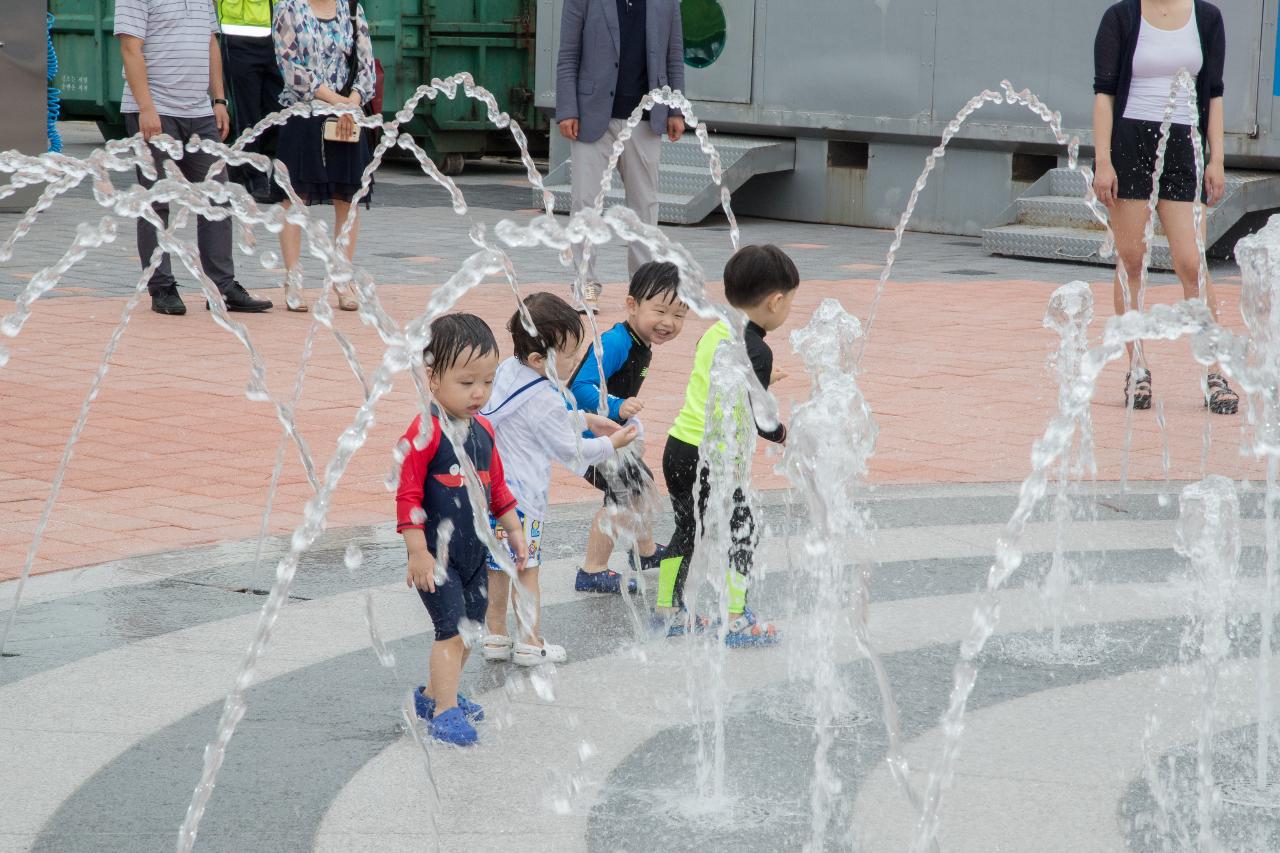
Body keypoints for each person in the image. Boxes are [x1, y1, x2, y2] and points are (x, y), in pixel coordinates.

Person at [1092, 0, 1237, 414]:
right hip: (1130, 141)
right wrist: (1103, 160)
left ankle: (1213, 372)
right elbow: (1104, 93)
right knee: (1133, 259)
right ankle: (1137, 367)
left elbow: (1213, 91)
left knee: (1192, 262)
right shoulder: (1120, 17)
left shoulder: (1206, 18)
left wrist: (1217, 159)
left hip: (1183, 145)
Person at [480, 293, 639, 667]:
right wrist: (611, 441)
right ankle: (531, 643)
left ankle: (495, 637)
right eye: (568, 354)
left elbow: (531, 425)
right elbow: (573, 453)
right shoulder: (546, 398)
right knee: (527, 569)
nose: (574, 360)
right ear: (538, 359)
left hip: (494, 497)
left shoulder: (507, 370)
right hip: (523, 504)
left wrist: (584, 420)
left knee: (498, 566)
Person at [396, 313, 528, 747]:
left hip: (475, 556)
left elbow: (499, 489)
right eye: (467, 382)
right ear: (432, 378)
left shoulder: (484, 429)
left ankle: (434, 695)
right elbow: (408, 498)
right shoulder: (425, 432)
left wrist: (514, 530)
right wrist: (418, 552)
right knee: (450, 632)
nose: (479, 393)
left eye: (487, 382)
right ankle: (445, 711)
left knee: (471, 630)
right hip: (438, 559)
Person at [657, 245, 799, 647]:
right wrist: (787, 435)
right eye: (790, 301)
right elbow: (763, 420)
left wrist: (764, 377)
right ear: (775, 301)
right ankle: (736, 619)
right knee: (744, 530)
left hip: (679, 447)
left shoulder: (716, 331)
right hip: (711, 458)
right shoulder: (758, 348)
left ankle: (669, 611)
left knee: (686, 528)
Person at [115, 0, 274, 316]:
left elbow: (210, 42)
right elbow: (131, 49)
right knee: (156, 202)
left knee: (216, 197)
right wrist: (146, 108)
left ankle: (222, 286)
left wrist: (218, 98)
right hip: (155, 110)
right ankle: (161, 286)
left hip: (199, 112)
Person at [555, 0, 686, 312]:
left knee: (644, 207)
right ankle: (585, 286)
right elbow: (568, 56)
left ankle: (643, 289)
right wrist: (567, 109)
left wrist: (676, 109)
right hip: (591, 117)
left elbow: (674, 58)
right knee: (585, 204)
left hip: (646, 120)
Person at [569, 261, 688, 594]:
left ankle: (645, 552)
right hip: (589, 437)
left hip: (612, 434)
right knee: (622, 496)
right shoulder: (617, 342)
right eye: (660, 311)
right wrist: (619, 406)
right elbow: (579, 386)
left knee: (640, 487)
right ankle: (591, 570)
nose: (668, 323)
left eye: (679, 315)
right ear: (633, 305)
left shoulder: (639, 341)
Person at [272, 0, 375, 313]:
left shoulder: (352, 8)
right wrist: (336, 101)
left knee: (348, 199)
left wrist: (352, 102)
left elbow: (367, 67)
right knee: (294, 197)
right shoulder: (288, 8)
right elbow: (290, 68)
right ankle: (293, 279)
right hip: (303, 113)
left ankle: (342, 279)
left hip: (346, 117)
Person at [215, 0, 284, 202]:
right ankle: (255, 178)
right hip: (238, 36)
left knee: (280, 112)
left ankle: (240, 167)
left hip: (279, 34)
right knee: (248, 116)